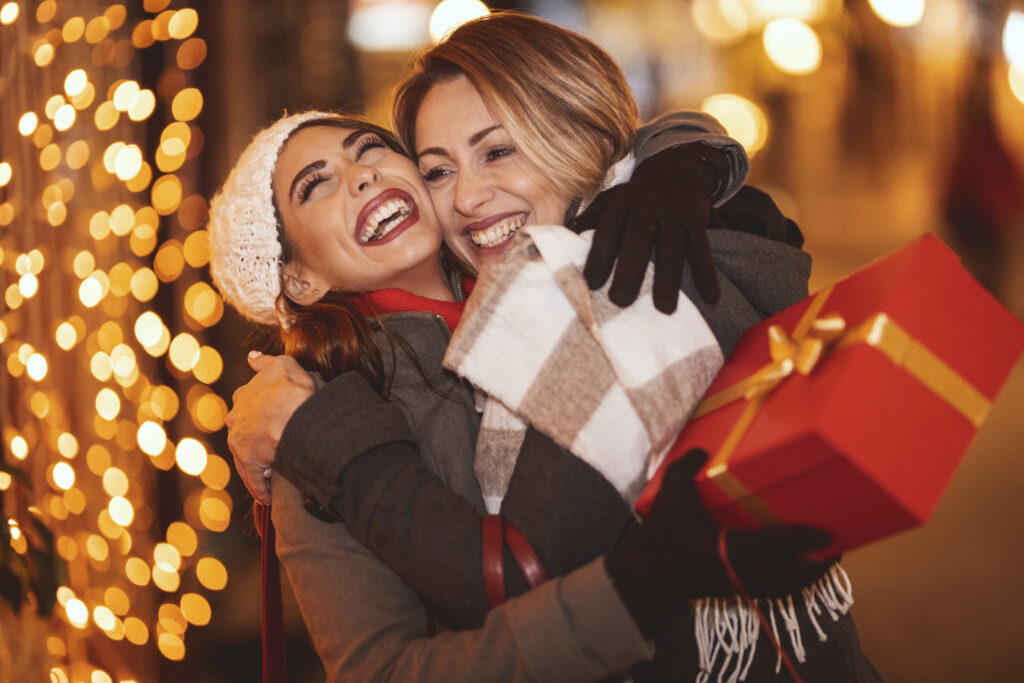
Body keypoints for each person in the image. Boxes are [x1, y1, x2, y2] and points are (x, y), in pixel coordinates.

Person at [218, 12, 879, 682]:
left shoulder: (607, 273)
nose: (470, 194)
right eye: (317, 183)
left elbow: (642, 158)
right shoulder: (316, 412)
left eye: (369, 150)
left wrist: (688, 159)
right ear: (298, 278)